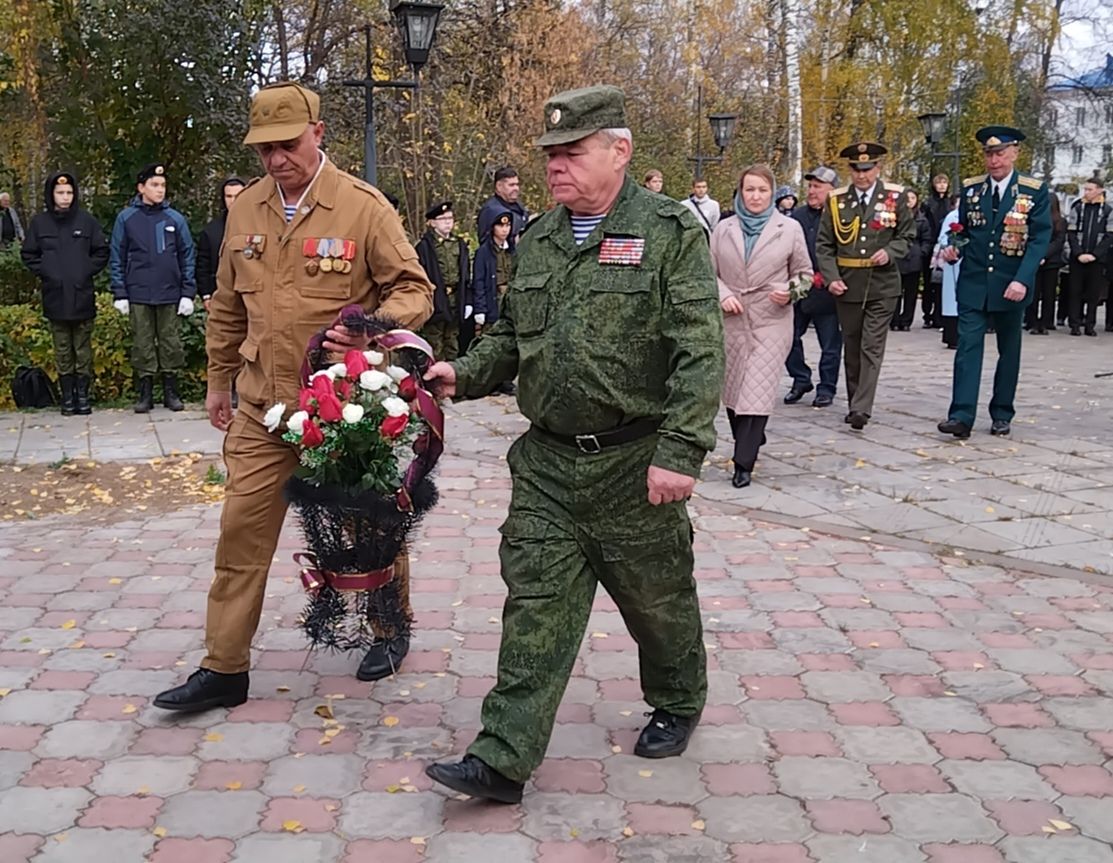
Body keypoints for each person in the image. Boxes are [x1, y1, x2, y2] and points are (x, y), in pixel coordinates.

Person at [422, 85, 724, 804]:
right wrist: (458, 373)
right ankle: (502, 757)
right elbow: (509, 336)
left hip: (632, 463)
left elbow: (699, 351)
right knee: (534, 603)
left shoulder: (670, 232)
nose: (554, 167)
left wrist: (679, 452)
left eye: (570, 152)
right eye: (549, 155)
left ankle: (679, 698)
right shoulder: (539, 237)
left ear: (618, 152)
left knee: (656, 601)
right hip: (549, 464)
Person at [151, 82, 434, 713]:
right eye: (264, 149)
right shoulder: (246, 208)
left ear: (319, 133)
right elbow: (226, 306)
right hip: (261, 407)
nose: (276, 159)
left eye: (287, 145)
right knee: (240, 534)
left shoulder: (362, 207)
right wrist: (218, 380)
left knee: (368, 521)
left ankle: (390, 628)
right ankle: (224, 668)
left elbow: (416, 290)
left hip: (342, 409)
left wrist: (370, 331)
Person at [937, 126, 1051, 439]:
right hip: (974, 282)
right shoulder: (973, 189)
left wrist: (1022, 279)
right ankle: (961, 416)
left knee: (1008, 350)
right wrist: (953, 247)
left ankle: (1002, 412)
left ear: (1014, 153)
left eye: (1000, 153)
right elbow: (962, 230)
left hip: (1010, 283)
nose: (994, 160)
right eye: (989, 154)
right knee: (967, 348)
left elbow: (1040, 239)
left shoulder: (1033, 190)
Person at [712, 165, 810, 488]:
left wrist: (790, 292)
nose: (755, 196)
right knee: (735, 389)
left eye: (762, 190)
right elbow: (705, 274)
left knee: (758, 386)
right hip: (732, 320)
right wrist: (723, 294)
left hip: (772, 318)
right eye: (749, 189)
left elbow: (805, 274)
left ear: (773, 193)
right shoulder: (722, 229)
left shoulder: (790, 228)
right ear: (740, 192)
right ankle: (750, 441)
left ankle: (743, 462)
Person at [815, 142, 914, 430]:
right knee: (853, 345)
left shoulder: (895, 197)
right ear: (850, 170)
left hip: (883, 284)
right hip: (848, 284)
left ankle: (861, 407)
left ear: (878, 168)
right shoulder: (836, 201)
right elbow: (824, 244)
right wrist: (832, 277)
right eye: (857, 169)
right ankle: (855, 401)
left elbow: (907, 235)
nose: (862, 175)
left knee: (872, 345)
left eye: (868, 169)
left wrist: (891, 252)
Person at [109, 163, 196, 413]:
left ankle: (171, 391)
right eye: (154, 185)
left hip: (169, 292)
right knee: (142, 343)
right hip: (138, 292)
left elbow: (186, 255)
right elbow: (117, 255)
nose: (160, 190)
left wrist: (187, 292)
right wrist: (120, 292)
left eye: (163, 185)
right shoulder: (127, 218)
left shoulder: (175, 219)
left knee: (170, 342)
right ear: (141, 188)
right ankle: (145, 393)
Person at [21, 171, 109, 415]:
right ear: (51, 195)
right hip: (55, 296)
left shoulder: (86, 222)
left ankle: (83, 396)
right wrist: (48, 272)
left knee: (82, 349)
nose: (65, 197)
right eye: (60, 193)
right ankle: (67, 397)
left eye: (69, 192)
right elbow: (29, 254)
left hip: (81, 295)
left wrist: (84, 271)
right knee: (62, 349)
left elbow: (101, 252)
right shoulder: (40, 223)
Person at [785, 166, 842, 408]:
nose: (812, 191)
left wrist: (830, 277)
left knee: (829, 343)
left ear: (831, 190)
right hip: (798, 286)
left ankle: (826, 387)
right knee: (787, 338)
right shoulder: (797, 216)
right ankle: (800, 378)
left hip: (826, 288)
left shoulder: (840, 215)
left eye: (818, 186)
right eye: (810, 186)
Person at [415, 200, 470, 361]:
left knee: (452, 339)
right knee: (435, 340)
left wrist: (467, 300)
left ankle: (451, 375)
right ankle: (434, 376)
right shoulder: (425, 247)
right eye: (443, 219)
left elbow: (465, 273)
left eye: (450, 218)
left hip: (455, 297)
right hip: (436, 298)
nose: (447, 222)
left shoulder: (458, 244)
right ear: (432, 223)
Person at [469, 210, 517, 395]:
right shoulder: (484, 252)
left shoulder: (512, 249)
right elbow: (479, 282)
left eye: (507, 226)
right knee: (491, 343)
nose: (505, 230)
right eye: (500, 225)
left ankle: (505, 380)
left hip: (508, 299)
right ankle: (491, 382)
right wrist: (479, 308)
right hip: (492, 299)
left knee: (508, 342)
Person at [1065, 178, 1112, 337]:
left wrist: (1095, 255)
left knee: (1093, 293)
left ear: (1099, 190)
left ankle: (1090, 325)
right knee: (1075, 291)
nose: (1086, 192)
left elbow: (1109, 236)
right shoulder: (1077, 208)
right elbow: (1071, 233)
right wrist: (1078, 253)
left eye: (1089, 189)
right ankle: (1075, 324)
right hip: (1078, 258)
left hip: (1096, 260)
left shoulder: (1107, 211)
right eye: (1085, 189)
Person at [197, 178, 246, 311]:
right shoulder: (211, 231)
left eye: (237, 196)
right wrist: (206, 295)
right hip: (220, 295)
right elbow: (203, 266)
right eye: (229, 196)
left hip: (252, 296)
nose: (233, 200)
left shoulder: (261, 226)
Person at [892, 190, 933, 330]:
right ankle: (894, 320)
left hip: (914, 257)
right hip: (897, 256)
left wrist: (922, 252)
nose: (910, 200)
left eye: (913, 197)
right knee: (895, 291)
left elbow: (927, 239)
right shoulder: (893, 217)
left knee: (911, 292)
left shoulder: (922, 219)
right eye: (907, 198)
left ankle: (906, 321)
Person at [1025, 194, 1066, 335]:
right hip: (1035, 260)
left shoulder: (1060, 221)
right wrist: (1036, 255)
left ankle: (1046, 322)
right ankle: (1032, 321)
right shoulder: (1034, 220)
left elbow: (1058, 241)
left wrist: (1043, 254)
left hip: (1051, 261)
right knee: (1033, 293)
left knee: (1049, 293)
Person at [920, 174, 951, 327]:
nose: (942, 185)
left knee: (942, 282)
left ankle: (940, 314)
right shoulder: (928, 203)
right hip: (931, 244)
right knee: (928, 281)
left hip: (945, 245)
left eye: (944, 182)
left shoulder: (950, 203)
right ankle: (927, 314)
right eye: (939, 182)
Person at [933, 195, 962, 349]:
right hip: (953, 262)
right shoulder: (952, 216)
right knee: (952, 300)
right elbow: (943, 237)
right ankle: (952, 336)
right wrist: (951, 246)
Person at [477, 166, 529, 241]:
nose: (516, 188)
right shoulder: (491, 211)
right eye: (511, 185)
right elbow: (486, 243)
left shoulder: (520, 207)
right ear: (499, 186)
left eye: (517, 185)